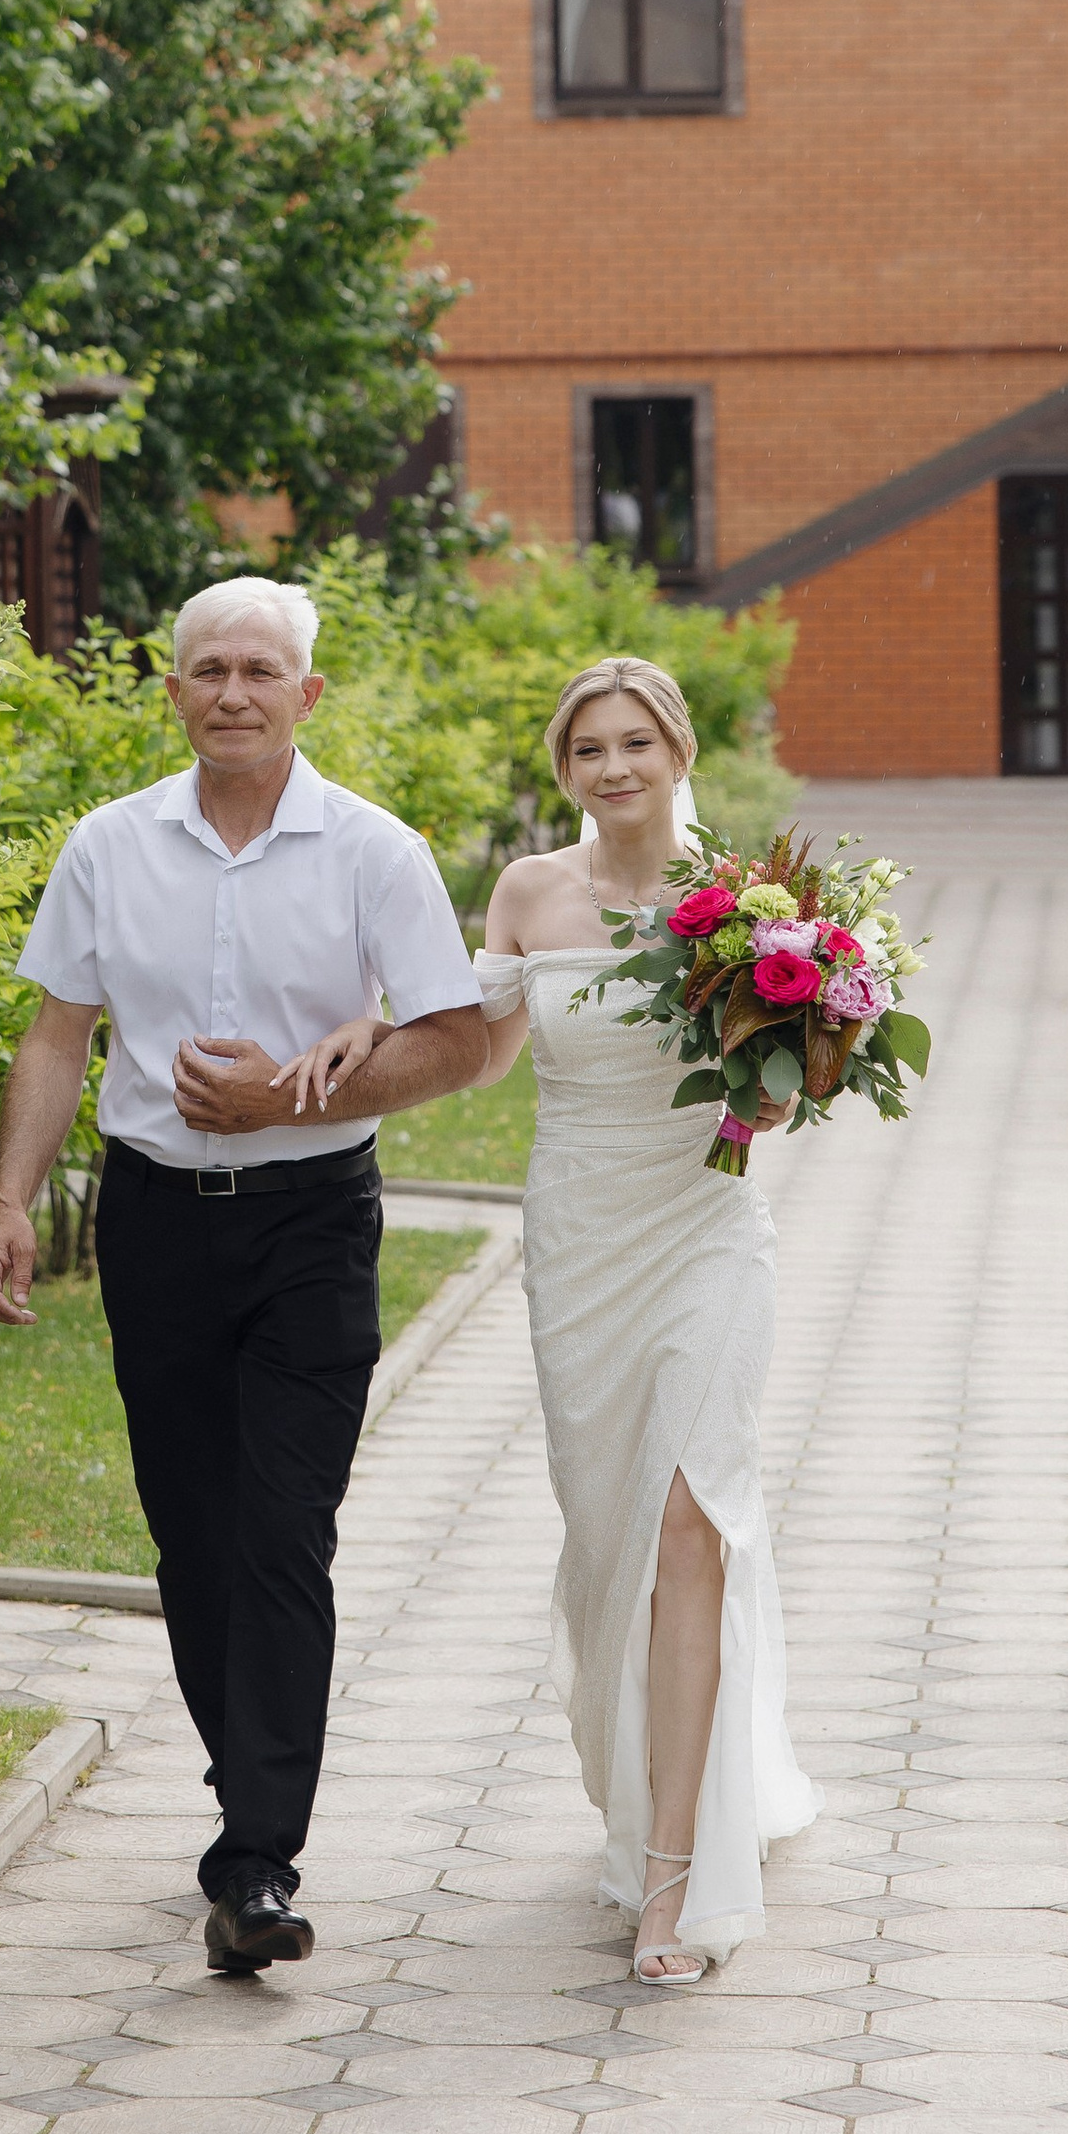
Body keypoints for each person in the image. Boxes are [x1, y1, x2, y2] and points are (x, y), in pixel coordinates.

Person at [0, 575, 487, 1979]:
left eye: (263, 670)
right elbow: (57, 1035)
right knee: (193, 1542)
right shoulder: (108, 845)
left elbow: (458, 1041)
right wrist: (13, 1197)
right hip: (152, 1224)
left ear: (307, 695)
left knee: (280, 1530)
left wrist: (297, 1104)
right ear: (174, 688)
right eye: (209, 669)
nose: (235, 693)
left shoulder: (375, 852)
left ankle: (255, 1860)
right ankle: (242, 1790)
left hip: (315, 1224)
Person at [283, 656, 819, 1985]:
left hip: (706, 1227)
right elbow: (478, 1040)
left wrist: (789, 1055)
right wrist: (368, 1027)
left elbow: (786, 1095)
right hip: (579, 1242)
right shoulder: (530, 891)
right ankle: (642, 1787)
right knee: (609, 1549)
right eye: (591, 750)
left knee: (696, 1518)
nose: (617, 767)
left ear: (681, 749)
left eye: (638, 742)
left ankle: (676, 1879)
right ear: (565, 768)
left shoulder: (753, 898)